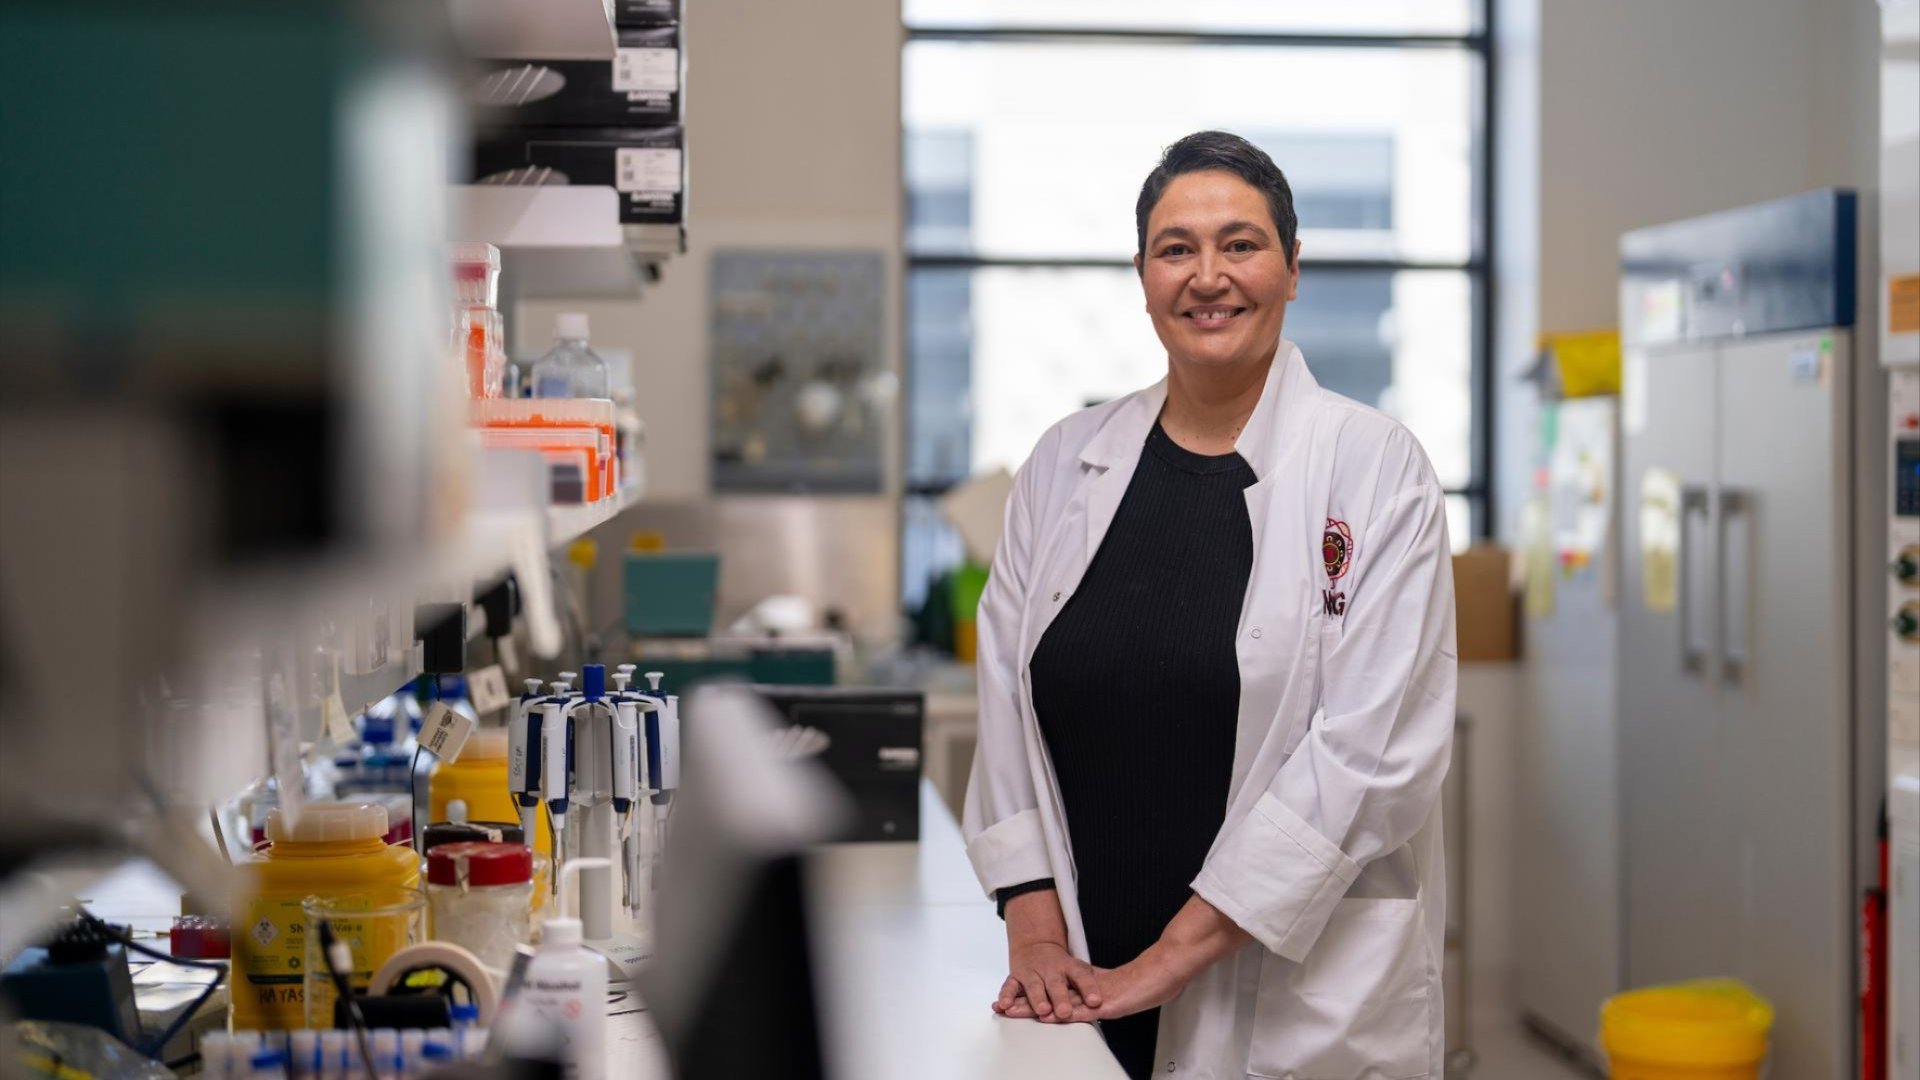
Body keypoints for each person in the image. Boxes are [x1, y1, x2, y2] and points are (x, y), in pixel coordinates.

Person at [961, 130, 1458, 1080]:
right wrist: (1034, 934)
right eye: (1175, 249)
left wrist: (1166, 962)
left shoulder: (1375, 467)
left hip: (1282, 992)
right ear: (1144, 276)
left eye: (1241, 244)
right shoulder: (1068, 463)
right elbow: (1005, 707)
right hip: (1080, 983)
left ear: (1293, 268)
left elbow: (1369, 755)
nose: (1208, 276)